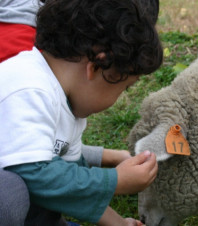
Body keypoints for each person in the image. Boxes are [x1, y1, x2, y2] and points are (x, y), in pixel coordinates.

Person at [0, 0, 163, 225]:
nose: (119, 99)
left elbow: (70, 183)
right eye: (123, 88)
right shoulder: (30, 87)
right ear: (97, 66)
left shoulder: (68, 104)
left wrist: (119, 223)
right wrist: (114, 181)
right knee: (11, 193)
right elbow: (35, 177)